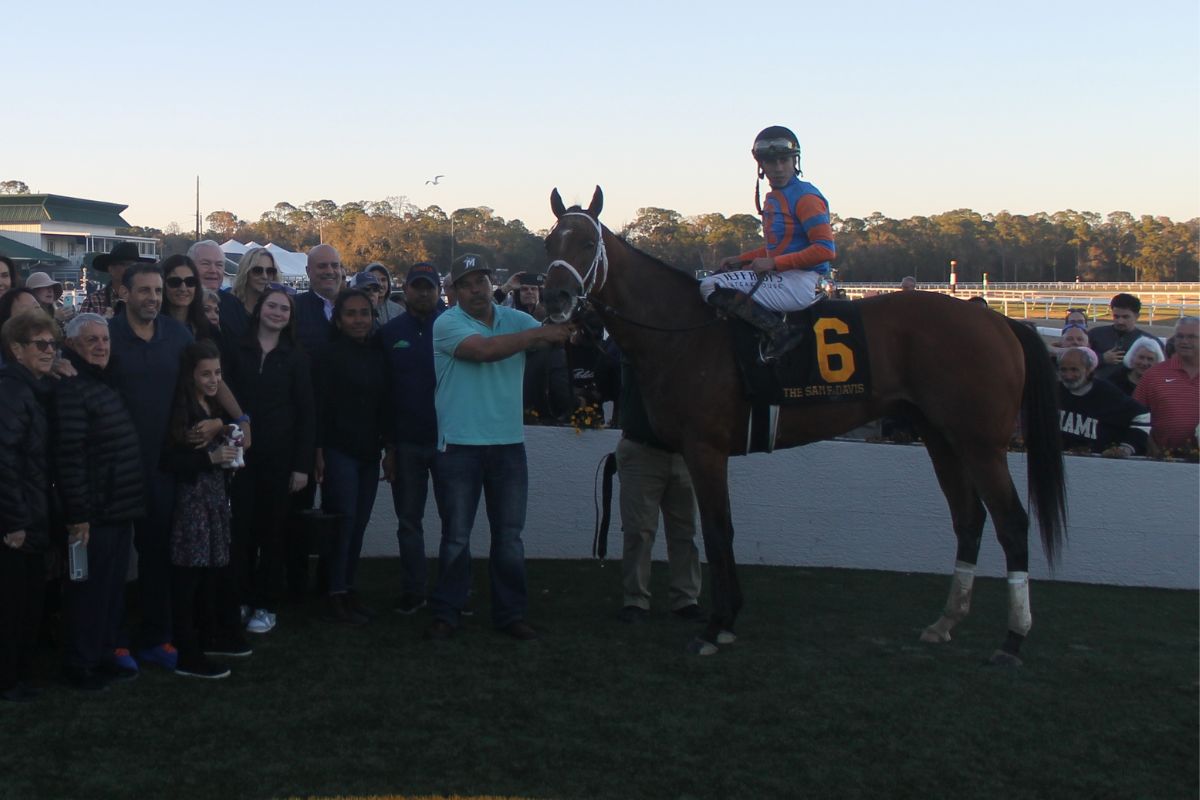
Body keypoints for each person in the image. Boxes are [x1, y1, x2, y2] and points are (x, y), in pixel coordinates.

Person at [107, 264, 249, 671]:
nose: (153, 297)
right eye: (144, 291)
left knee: (158, 558)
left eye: (157, 290)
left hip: (165, 466)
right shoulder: (109, 336)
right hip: (116, 468)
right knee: (115, 562)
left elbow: (209, 379)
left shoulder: (177, 335)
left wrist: (238, 419)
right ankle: (112, 641)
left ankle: (155, 637)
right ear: (124, 293)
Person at [425, 253, 572, 641]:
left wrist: (563, 313)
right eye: (468, 283)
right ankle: (448, 610)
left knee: (509, 537)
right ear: (453, 291)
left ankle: (510, 614)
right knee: (456, 535)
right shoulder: (447, 323)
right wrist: (541, 335)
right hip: (458, 445)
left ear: (493, 284)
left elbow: (552, 328)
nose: (477, 289)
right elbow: (485, 351)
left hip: (508, 445)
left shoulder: (516, 320)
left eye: (482, 281)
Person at [53, 313, 145, 690]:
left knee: (110, 589)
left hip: (118, 506)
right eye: (91, 340)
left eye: (104, 339)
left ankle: (104, 654)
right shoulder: (72, 388)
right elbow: (69, 457)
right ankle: (81, 663)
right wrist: (79, 515)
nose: (101, 346)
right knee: (88, 593)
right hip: (94, 511)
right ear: (72, 345)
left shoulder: (102, 381)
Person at [223, 285, 314, 635]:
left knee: (273, 533)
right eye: (272, 306)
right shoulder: (237, 349)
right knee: (240, 531)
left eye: (285, 309)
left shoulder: (296, 357)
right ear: (260, 309)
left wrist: (301, 466)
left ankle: (266, 604)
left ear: (290, 318)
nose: (277, 313)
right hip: (240, 458)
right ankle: (242, 597)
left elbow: (307, 414)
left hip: (280, 459)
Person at [700, 125, 835, 362]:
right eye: (771, 162)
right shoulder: (775, 197)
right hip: (788, 276)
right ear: (761, 165)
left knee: (710, 286)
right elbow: (780, 248)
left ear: (796, 161)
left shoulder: (806, 197)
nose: (778, 168)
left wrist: (773, 263)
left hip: (804, 281)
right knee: (718, 275)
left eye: (784, 160)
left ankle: (780, 333)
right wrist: (743, 259)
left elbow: (825, 250)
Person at [160, 341, 242, 679]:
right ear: (190, 374)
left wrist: (224, 431)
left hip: (211, 498)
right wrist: (209, 457)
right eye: (206, 373)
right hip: (191, 502)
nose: (213, 380)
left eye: (218, 373)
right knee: (188, 577)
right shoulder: (182, 409)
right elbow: (170, 460)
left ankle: (206, 638)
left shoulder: (208, 406)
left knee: (207, 573)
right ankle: (187, 652)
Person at [313, 289, 391, 624]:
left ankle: (347, 585)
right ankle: (333, 593)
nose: (359, 320)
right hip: (337, 450)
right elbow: (317, 408)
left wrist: (389, 449)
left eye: (364, 313)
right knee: (342, 524)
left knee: (358, 525)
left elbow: (385, 406)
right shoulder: (326, 356)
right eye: (351, 314)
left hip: (369, 453)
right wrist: (317, 452)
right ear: (338, 319)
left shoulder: (378, 356)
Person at [614, 356, 703, 623]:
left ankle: (686, 598)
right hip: (643, 450)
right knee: (639, 531)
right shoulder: (637, 349)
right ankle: (636, 599)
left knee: (684, 531)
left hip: (682, 453)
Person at [379, 263, 445, 614]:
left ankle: (453, 592)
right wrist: (388, 447)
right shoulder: (390, 333)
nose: (423, 293)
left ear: (438, 290)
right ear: (405, 288)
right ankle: (414, 590)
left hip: (450, 443)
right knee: (408, 522)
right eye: (417, 286)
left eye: (429, 287)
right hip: (405, 444)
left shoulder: (454, 327)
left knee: (455, 522)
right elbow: (384, 393)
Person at [0, 310, 57, 701]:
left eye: (52, 343)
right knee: (12, 605)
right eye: (40, 344)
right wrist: (15, 521)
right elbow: (4, 459)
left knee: (26, 602)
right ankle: (7, 680)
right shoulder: (12, 391)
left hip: (31, 514)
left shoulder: (33, 388)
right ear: (16, 350)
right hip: (15, 522)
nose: (48, 350)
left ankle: (18, 674)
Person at [287, 244, 345, 597]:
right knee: (298, 511)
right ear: (308, 272)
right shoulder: (296, 310)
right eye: (322, 266)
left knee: (342, 514)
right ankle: (294, 586)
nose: (329, 272)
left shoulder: (356, 307)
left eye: (335, 265)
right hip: (304, 427)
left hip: (347, 429)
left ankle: (335, 586)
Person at [1057, 347, 1149, 457]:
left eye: (1074, 370)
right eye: (1063, 370)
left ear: (1088, 369)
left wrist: (1126, 448)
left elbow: (1143, 416)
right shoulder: (1052, 391)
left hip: (1098, 464)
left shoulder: (1107, 392)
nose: (1068, 376)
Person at [1134, 317, 1199, 454]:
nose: (1184, 341)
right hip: (1162, 460)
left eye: (1191, 337)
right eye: (1180, 336)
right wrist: (1154, 451)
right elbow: (1135, 418)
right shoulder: (1153, 375)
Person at [1088, 293, 1160, 382]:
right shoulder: (1095, 334)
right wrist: (1102, 358)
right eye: (1116, 316)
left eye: (1125, 317)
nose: (1120, 321)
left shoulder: (1150, 342)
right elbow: (1079, 360)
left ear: (1137, 316)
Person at [221, 247, 279, 344]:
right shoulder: (227, 305)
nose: (264, 276)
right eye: (257, 270)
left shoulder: (277, 310)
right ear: (246, 272)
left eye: (269, 271)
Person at [81, 242, 154, 318]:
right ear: (111, 269)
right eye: (124, 264)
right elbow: (83, 328)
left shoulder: (147, 299)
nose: (130, 269)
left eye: (134, 266)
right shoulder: (94, 301)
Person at [161, 255, 217, 341]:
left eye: (190, 281)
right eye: (175, 282)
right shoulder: (152, 329)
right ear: (163, 285)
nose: (183, 288)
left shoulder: (208, 330)